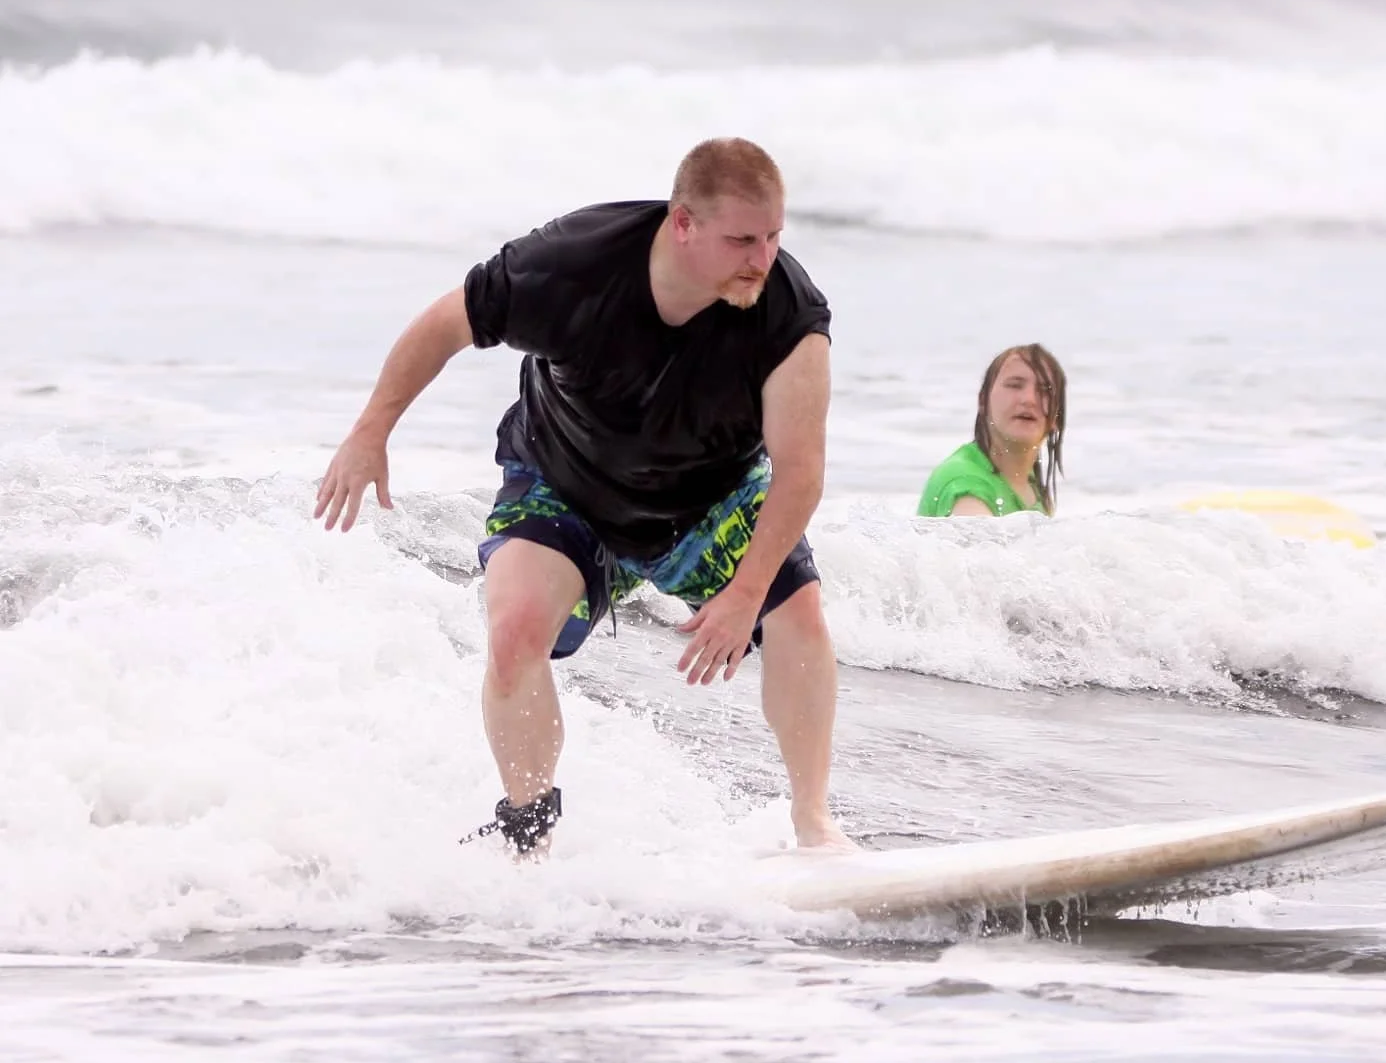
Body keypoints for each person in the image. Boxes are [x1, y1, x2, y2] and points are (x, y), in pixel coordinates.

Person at [315, 138, 850, 855]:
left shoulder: (786, 311)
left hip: (710, 501)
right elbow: (447, 322)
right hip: (565, 486)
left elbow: (801, 472)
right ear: (682, 223)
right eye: (743, 239)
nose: (764, 257)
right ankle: (530, 832)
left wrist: (749, 591)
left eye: (775, 235)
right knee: (511, 637)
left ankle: (813, 824)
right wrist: (369, 432)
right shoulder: (573, 266)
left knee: (800, 617)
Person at [917, 344, 1067, 518]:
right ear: (983, 401)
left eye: (1044, 390)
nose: (1029, 399)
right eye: (1014, 385)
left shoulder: (1030, 483)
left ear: (1057, 416)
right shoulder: (965, 483)